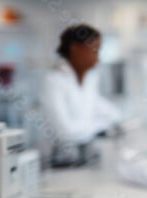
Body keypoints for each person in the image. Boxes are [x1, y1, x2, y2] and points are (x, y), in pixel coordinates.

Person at [40, 23, 121, 167]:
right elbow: (65, 133)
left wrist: (94, 125)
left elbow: (113, 114)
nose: (97, 56)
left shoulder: (89, 78)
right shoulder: (53, 81)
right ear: (75, 48)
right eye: (94, 49)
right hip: (59, 164)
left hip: (87, 159)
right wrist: (99, 125)